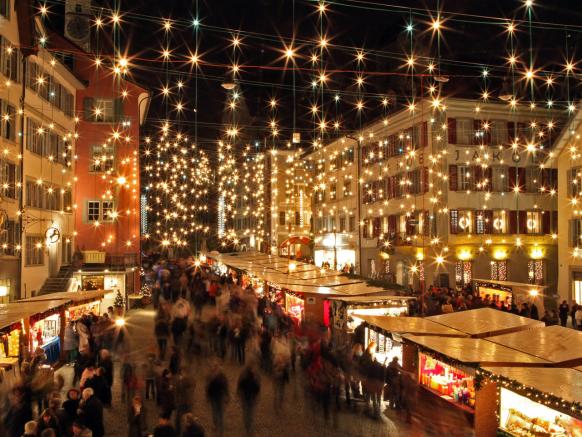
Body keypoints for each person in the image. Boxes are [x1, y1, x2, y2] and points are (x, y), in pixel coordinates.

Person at [237, 367, 261, 437]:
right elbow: (257, 389)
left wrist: (239, 394)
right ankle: (249, 428)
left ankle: (247, 427)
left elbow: (240, 387)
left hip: (246, 399)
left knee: (246, 414)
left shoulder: (244, 379)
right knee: (250, 414)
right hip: (250, 399)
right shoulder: (254, 380)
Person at [206, 366, 229, 436]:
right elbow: (208, 389)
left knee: (220, 414)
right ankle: (216, 425)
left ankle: (221, 429)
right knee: (215, 412)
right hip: (214, 398)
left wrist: (227, 396)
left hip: (219, 398)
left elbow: (225, 387)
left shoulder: (222, 378)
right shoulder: (211, 378)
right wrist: (208, 397)